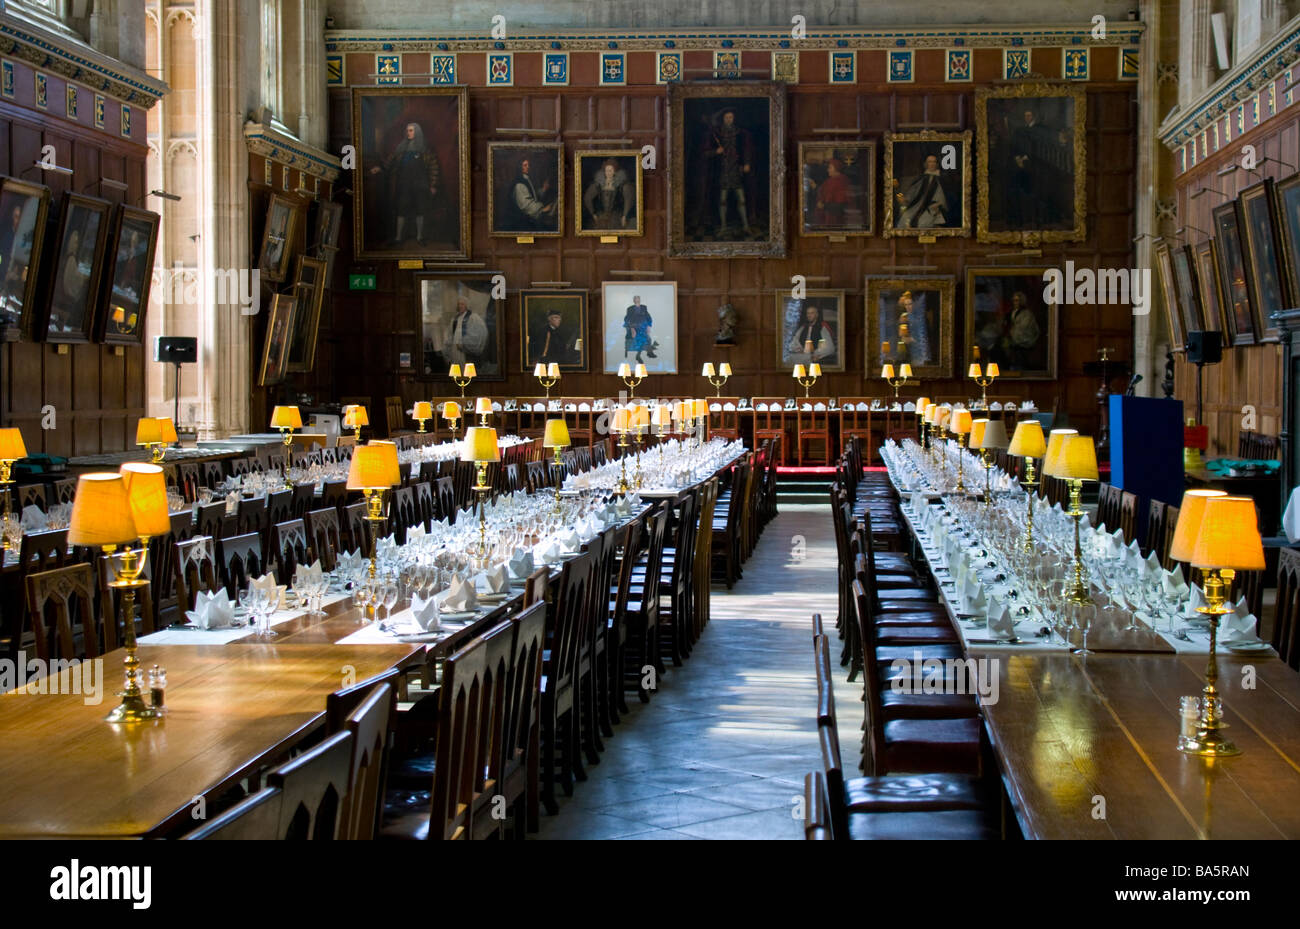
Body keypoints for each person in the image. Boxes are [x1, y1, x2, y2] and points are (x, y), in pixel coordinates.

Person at [368, 121, 440, 246]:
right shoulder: (401, 149)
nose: (408, 133)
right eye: (407, 130)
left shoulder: (425, 150)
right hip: (404, 185)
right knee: (401, 209)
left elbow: (434, 168)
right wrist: (380, 168)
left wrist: (433, 185)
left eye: (411, 130)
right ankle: (398, 238)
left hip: (421, 185)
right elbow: (389, 163)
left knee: (420, 210)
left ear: (417, 132)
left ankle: (420, 237)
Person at [1008, 107, 1069, 229]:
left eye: (1029, 115)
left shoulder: (1040, 130)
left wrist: (1026, 157)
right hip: (1024, 165)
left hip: (1038, 166)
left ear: (1033, 116)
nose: (1027, 117)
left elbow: (1038, 148)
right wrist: (1017, 158)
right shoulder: (1020, 130)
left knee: (1039, 191)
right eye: (1026, 115)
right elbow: (1016, 146)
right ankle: (1026, 219)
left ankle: (1041, 219)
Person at [702, 107, 755, 237]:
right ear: (723, 119)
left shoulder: (740, 133)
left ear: (734, 118)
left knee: (741, 199)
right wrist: (716, 152)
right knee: (722, 200)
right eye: (726, 117)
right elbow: (705, 153)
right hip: (723, 171)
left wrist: (747, 163)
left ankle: (745, 226)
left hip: (737, 170)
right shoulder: (717, 133)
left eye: (731, 117)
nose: (729, 120)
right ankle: (723, 227)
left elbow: (747, 150)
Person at [894, 152, 952, 229]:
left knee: (923, 223)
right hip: (917, 205)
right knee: (903, 220)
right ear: (925, 164)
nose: (932, 164)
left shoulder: (942, 179)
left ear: (937, 164)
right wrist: (905, 199)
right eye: (929, 162)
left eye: (934, 162)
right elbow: (912, 192)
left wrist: (939, 204)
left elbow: (947, 197)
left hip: (934, 208)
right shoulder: (921, 178)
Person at [583, 158, 634, 230]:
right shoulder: (599, 184)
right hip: (601, 215)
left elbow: (628, 199)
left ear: (615, 172)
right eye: (607, 170)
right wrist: (593, 214)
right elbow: (587, 198)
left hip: (616, 216)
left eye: (610, 170)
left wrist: (624, 216)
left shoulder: (620, 185)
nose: (608, 173)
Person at [509, 156, 556, 230]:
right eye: (525, 165)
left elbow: (532, 195)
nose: (528, 167)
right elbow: (526, 205)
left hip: (529, 220)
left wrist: (543, 189)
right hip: (523, 222)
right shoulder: (519, 184)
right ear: (519, 167)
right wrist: (542, 210)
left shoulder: (526, 179)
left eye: (528, 165)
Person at [786, 301, 835, 366]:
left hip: (813, 355)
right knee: (788, 358)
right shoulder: (803, 327)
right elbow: (794, 341)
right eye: (808, 313)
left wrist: (816, 354)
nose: (809, 315)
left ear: (817, 315)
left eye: (812, 313)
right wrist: (798, 349)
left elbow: (829, 348)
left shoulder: (822, 328)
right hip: (801, 354)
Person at [445, 297, 487, 366]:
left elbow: (479, 333)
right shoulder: (455, 318)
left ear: (467, 305)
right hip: (454, 349)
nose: (460, 306)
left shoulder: (473, 317)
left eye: (462, 304)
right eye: (459, 304)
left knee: (465, 369)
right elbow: (450, 334)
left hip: (464, 350)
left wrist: (464, 344)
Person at [813, 158, 853, 228]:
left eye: (830, 168)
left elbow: (841, 205)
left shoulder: (841, 181)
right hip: (827, 216)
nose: (827, 170)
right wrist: (816, 187)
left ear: (836, 169)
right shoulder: (830, 181)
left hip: (835, 219)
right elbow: (824, 192)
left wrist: (824, 206)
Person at [623, 295, 658, 365]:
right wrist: (631, 328)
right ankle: (639, 356)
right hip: (634, 328)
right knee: (641, 338)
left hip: (643, 328)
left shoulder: (644, 308)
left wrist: (649, 325)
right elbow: (626, 319)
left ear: (640, 299)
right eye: (635, 299)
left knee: (648, 338)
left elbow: (649, 318)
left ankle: (647, 353)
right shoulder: (630, 309)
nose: (637, 300)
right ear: (633, 300)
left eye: (638, 298)